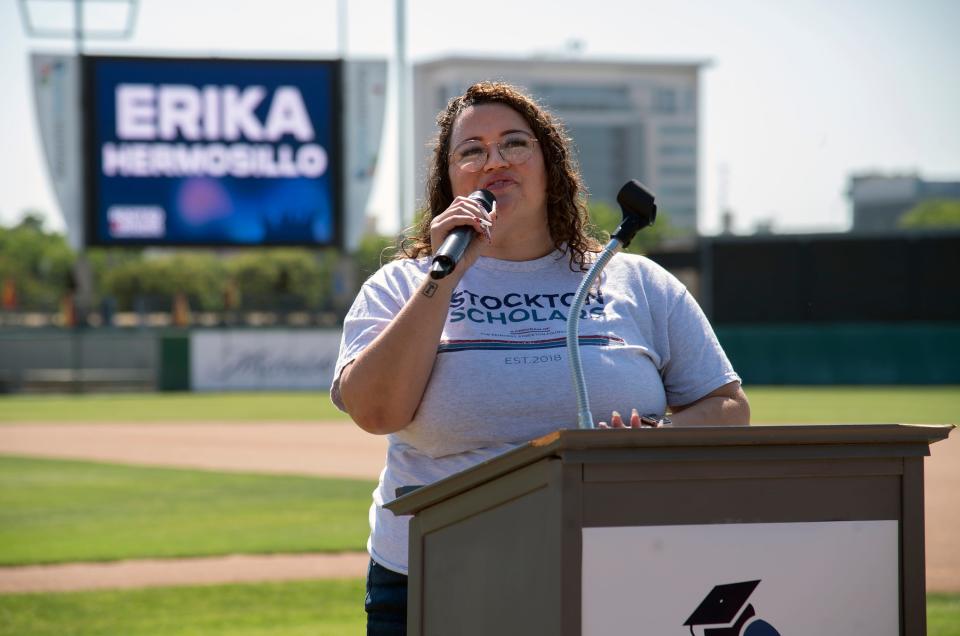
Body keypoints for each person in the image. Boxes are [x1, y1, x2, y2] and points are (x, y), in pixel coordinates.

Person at [331, 81, 749, 634]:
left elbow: (728, 407)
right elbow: (377, 412)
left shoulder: (635, 280)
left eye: (514, 143)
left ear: (549, 166)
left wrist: (654, 435)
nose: (493, 160)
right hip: (437, 574)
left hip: (612, 563)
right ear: (449, 179)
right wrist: (443, 278)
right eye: (471, 151)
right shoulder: (400, 286)